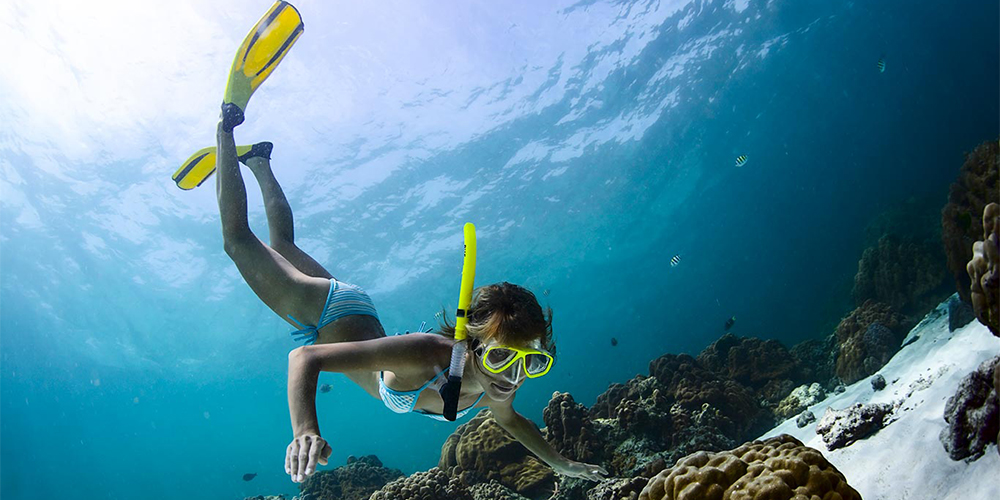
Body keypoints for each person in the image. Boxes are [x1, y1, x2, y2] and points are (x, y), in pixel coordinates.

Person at [213, 122, 609, 484]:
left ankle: (260, 160)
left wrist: (563, 464)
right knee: (237, 241)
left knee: (282, 247)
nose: (514, 376)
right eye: (501, 358)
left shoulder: (498, 381)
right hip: (327, 310)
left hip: (358, 313)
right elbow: (304, 359)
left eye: (532, 362)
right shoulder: (428, 355)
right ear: (470, 345)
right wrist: (305, 431)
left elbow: (511, 420)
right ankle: (226, 126)